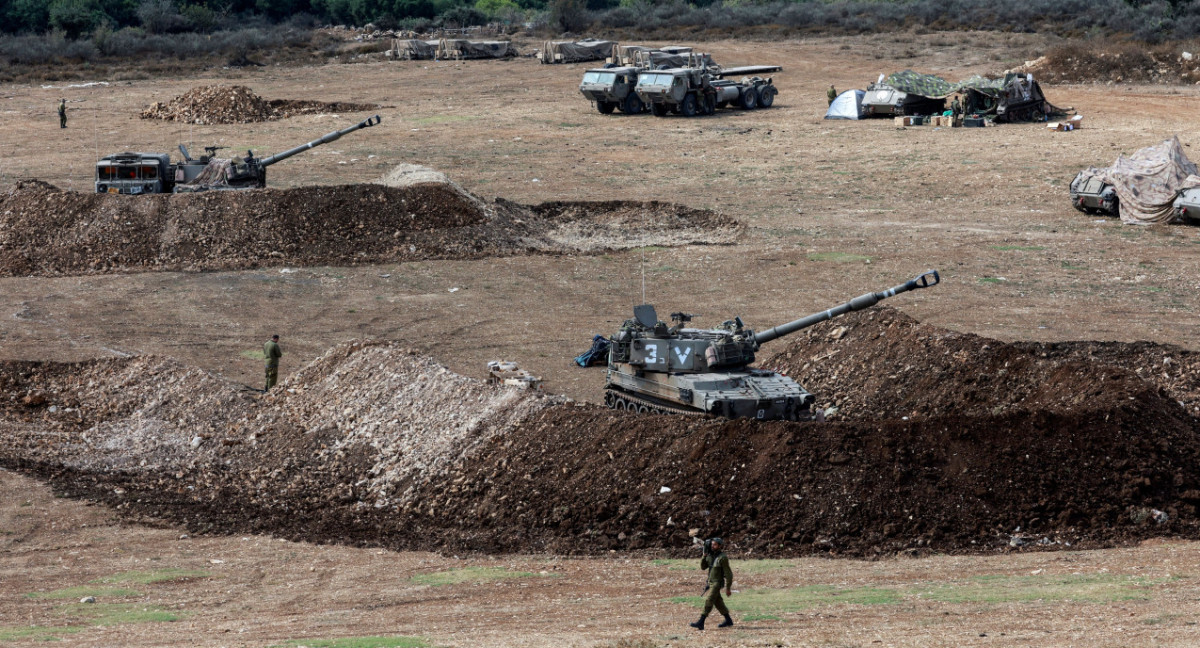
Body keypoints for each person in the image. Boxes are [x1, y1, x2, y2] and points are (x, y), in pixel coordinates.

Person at [689, 537, 734, 631]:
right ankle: (728, 620)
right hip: (711, 582)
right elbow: (703, 567)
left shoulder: (723, 558)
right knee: (718, 603)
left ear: (720, 546)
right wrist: (704, 555)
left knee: (709, 600)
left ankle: (701, 622)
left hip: (717, 583)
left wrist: (728, 588)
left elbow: (728, 574)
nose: (712, 546)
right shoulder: (709, 555)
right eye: (712, 544)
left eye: (715, 545)